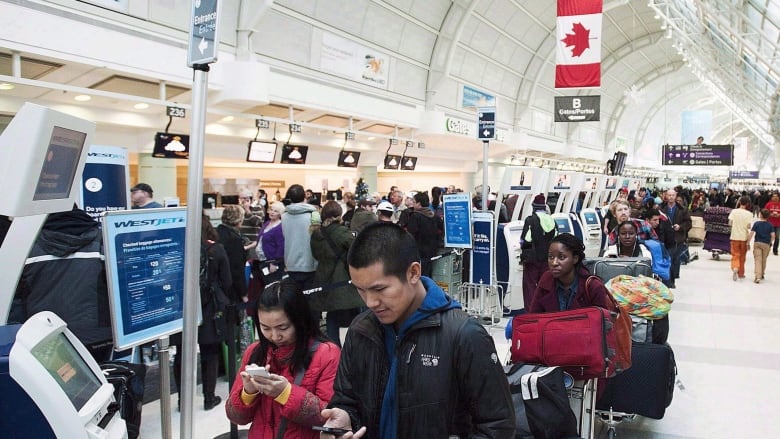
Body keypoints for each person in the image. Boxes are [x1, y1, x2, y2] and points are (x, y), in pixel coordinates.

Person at [321, 222, 515, 438]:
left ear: (413, 272)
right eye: (361, 290)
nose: (371, 302)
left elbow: (498, 426)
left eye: (380, 289)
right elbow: (346, 399)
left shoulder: (464, 335)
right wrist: (343, 421)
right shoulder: (361, 330)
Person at [225, 279, 341, 438]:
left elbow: (331, 417)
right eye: (265, 328)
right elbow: (235, 417)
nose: (274, 336)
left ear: (300, 320)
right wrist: (248, 392)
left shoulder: (327, 354)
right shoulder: (255, 352)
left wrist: (286, 393)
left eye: (283, 328)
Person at [9, 206, 113, 362]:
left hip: (46, 336)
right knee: (103, 381)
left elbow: (15, 301)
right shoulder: (103, 241)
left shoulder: (25, 249)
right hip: (97, 336)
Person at [172, 214, 232, 411]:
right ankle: (209, 397)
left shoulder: (177, 249)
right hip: (210, 307)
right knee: (210, 353)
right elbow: (227, 282)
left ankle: (183, 400)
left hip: (183, 307)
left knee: (182, 354)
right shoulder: (216, 249)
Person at [310, 201, 364, 348]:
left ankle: (334, 348)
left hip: (324, 277)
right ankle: (355, 347)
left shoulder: (316, 234)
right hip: (344, 278)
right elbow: (355, 250)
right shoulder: (342, 232)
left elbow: (316, 255)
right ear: (339, 215)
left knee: (332, 315)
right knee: (355, 314)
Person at [529, 233, 614, 313]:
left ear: (575, 259)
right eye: (551, 257)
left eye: (561, 257)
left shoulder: (592, 286)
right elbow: (534, 317)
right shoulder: (546, 279)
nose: (554, 263)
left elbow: (603, 322)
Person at [519, 193, 556, 308]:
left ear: (534, 207)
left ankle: (531, 310)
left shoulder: (531, 220)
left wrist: (521, 244)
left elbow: (526, 239)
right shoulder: (552, 220)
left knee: (529, 286)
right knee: (545, 285)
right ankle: (544, 309)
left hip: (532, 259)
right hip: (547, 259)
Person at [282, 184, 320, 292]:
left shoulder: (284, 216)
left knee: (294, 301)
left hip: (291, 263)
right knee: (310, 300)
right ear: (305, 197)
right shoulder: (314, 215)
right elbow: (318, 237)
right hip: (310, 263)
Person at [402, 191, 443, 277]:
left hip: (419, 252)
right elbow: (442, 229)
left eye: (414, 202)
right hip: (432, 251)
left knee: (418, 275)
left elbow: (411, 235)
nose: (412, 204)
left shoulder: (415, 216)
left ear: (419, 204)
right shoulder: (434, 216)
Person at [659, 189, 691, 288]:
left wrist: (680, 227)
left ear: (676, 196)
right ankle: (666, 280)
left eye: (673, 195)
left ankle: (671, 280)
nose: (671, 197)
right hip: (665, 237)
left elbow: (688, 223)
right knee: (666, 259)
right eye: (669, 195)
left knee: (674, 259)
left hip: (677, 238)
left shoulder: (682, 209)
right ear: (666, 196)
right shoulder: (661, 208)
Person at [728, 195, 753, 281]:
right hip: (744, 237)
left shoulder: (734, 211)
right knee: (742, 256)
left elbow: (730, 223)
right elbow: (749, 226)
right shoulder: (749, 214)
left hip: (734, 236)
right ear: (747, 204)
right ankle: (741, 273)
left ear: (739, 202)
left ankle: (735, 267)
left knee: (735, 255)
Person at [748, 209, 775, 284]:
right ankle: (762, 274)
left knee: (758, 260)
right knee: (764, 260)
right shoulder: (770, 225)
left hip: (757, 243)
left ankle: (757, 276)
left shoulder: (757, 223)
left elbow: (751, 233)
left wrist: (748, 242)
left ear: (761, 215)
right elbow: (773, 236)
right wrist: (770, 242)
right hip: (766, 244)